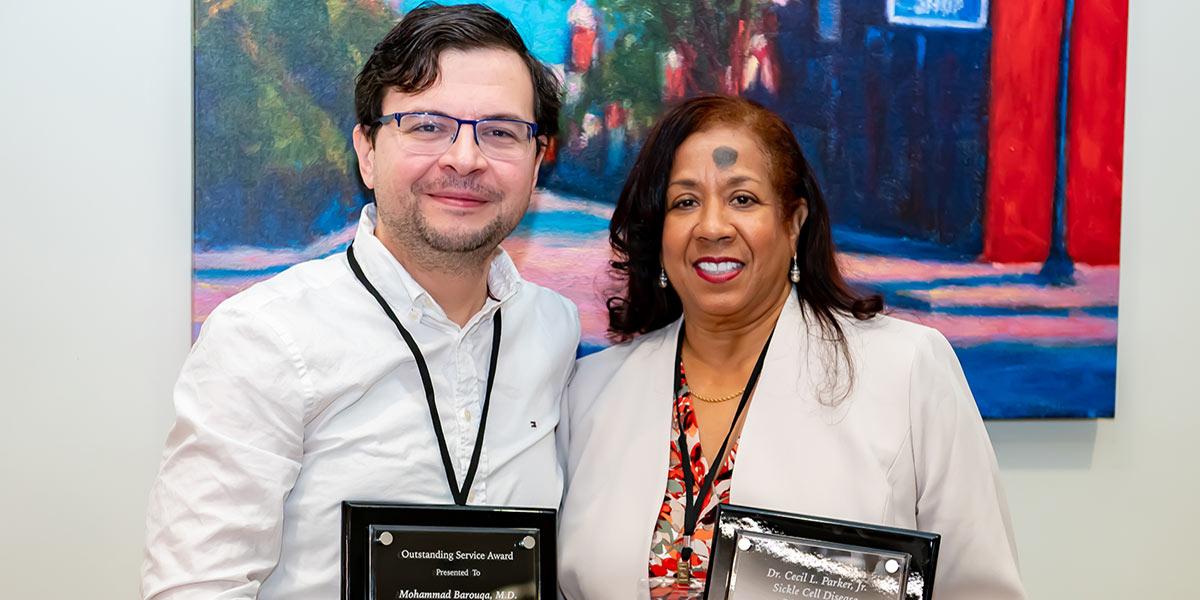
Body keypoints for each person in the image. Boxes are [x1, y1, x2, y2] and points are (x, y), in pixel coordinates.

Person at [142, 5, 578, 598]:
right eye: (427, 125)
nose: (465, 158)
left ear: (536, 162)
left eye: (501, 133)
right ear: (368, 151)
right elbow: (197, 587)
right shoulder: (264, 338)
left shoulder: (553, 328)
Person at [557, 96, 1025, 599]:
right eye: (685, 202)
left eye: (743, 200)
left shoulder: (905, 370)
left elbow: (980, 588)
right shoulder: (591, 393)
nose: (712, 227)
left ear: (794, 221)